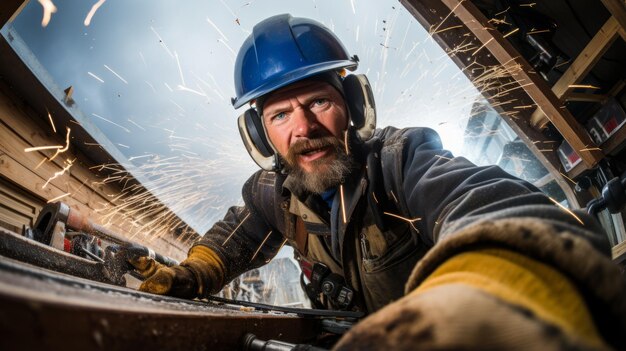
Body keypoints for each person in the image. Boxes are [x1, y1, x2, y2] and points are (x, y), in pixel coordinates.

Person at [129, 14, 626, 350]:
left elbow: (495, 208)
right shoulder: (269, 196)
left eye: (318, 102)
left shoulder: (400, 159)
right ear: (261, 134)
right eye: (280, 114)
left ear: (353, 105)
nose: (304, 129)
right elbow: (229, 244)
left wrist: (483, 302)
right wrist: (190, 275)